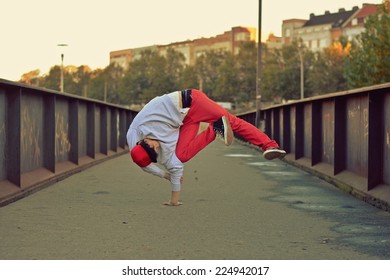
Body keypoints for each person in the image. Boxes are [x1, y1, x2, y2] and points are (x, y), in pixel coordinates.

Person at [127, 89, 286, 206]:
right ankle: (214, 128)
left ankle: (269, 145)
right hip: (186, 120)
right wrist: (167, 183)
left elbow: (143, 159)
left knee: (232, 121)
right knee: (181, 156)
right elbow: (149, 166)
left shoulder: (134, 132)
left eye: (152, 147)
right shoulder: (158, 152)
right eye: (154, 153)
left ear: (141, 141)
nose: (157, 148)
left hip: (191, 101)